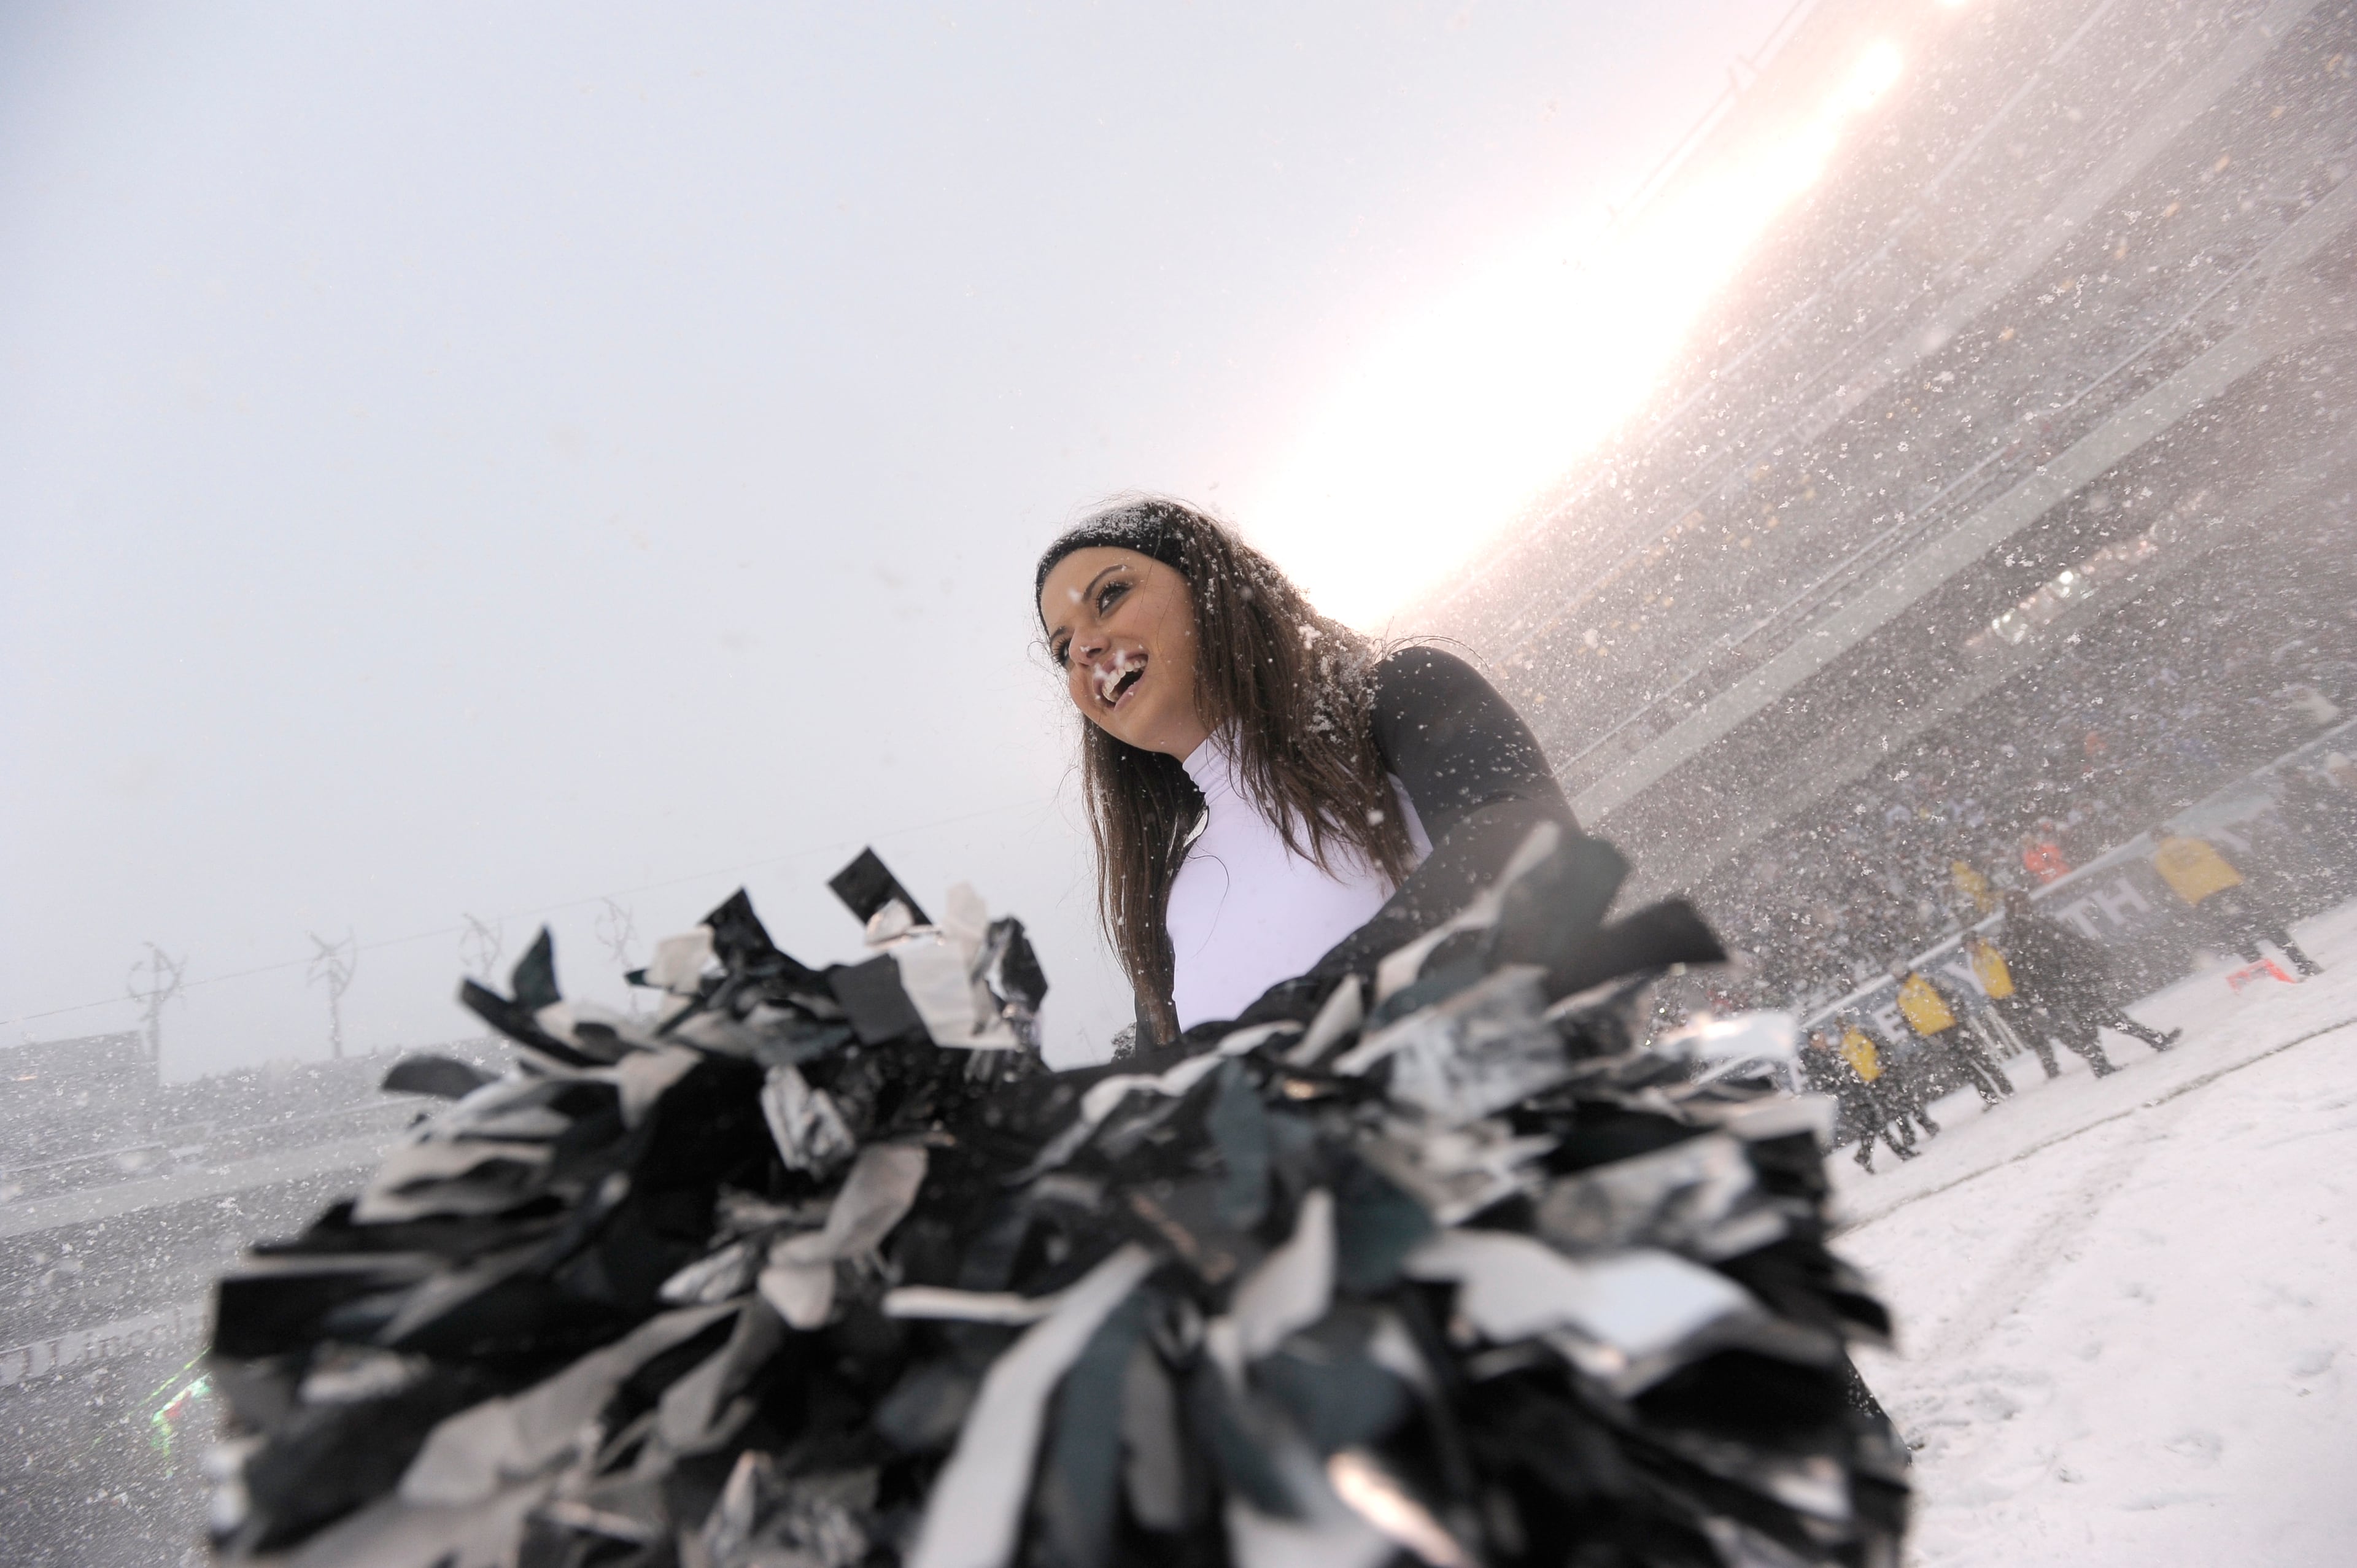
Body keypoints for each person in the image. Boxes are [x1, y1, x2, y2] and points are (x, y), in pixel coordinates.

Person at [1035, 496, 1578, 1048]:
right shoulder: (1169, 906)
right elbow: (1172, 1110)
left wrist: (1318, 1008)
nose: (1083, 647)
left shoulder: (1397, 701)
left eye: (1111, 595)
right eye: (1062, 649)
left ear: (1209, 587)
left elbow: (1534, 849)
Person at [1999, 892, 2177, 1062]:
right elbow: (2023, 966)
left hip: (2070, 980)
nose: (2025, 906)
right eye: (2020, 903)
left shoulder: (2036, 923)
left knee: (2090, 1022)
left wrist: (2088, 957)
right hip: (2061, 984)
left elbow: (2069, 941)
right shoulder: (2018, 933)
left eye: (2025, 901)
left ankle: (2103, 1062)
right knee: (2105, 1017)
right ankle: (2153, 1040)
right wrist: (2040, 989)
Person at [2151, 825, 2323, 978]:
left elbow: (2165, 894)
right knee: (2271, 927)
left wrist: (2185, 911)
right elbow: (2230, 856)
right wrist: (2254, 875)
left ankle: (2268, 977)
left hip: (2206, 902)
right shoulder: (2197, 842)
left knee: (2239, 940)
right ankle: (2303, 965)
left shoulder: (2159, 862)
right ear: (2173, 833)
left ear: (2156, 842)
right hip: (2232, 889)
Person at [1965, 927, 2118, 1079]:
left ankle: (2087, 1052)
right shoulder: (1976, 960)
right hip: (2005, 1001)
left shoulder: (1994, 950)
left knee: (2054, 1027)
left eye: (1970, 944)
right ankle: (2053, 1066)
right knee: (2035, 1036)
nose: (1969, 948)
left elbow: (2014, 970)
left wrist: (2025, 992)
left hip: (2019, 996)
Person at [1892, 962, 2011, 1107]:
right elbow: (1908, 1024)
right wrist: (1924, 1038)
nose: (1900, 975)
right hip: (1937, 1038)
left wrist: (1960, 1023)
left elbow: (1954, 997)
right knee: (1967, 1070)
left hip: (1955, 1029)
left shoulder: (1929, 981)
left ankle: (2006, 1088)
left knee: (1981, 1059)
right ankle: (1990, 1097)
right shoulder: (1902, 998)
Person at [1805, 1028, 1915, 1171]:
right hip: (1847, 1098)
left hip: (1856, 1093)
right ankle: (1901, 1153)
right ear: (1812, 1042)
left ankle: (1863, 1155)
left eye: (1823, 1037)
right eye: (1818, 1039)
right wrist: (1840, 1090)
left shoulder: (1831, 1053)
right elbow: (1822, 1083)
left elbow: (1847, 1070)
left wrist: (1856, 1083)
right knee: (1877, 1125)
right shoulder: (1815, 1061)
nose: (1823, 1041)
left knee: (1870, 1127)